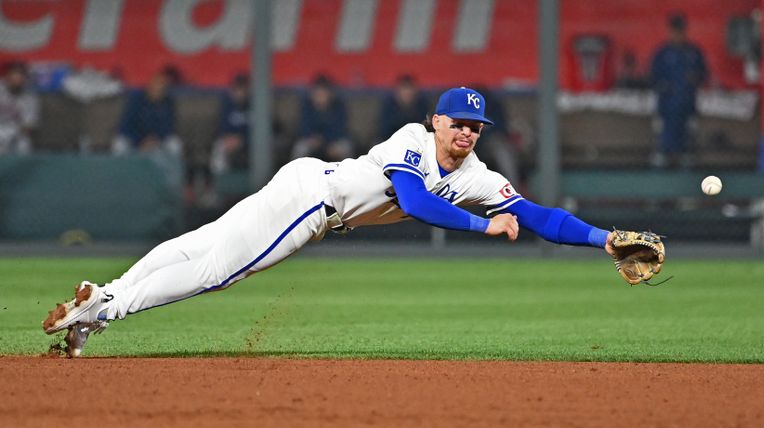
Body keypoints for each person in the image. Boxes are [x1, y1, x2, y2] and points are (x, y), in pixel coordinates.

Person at [43, 87, 636, 357]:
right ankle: (106, 309)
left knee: (198, 244)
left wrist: (602, 238)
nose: (464, 131)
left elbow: (536, 214)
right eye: (455, 121)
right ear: (435, 121)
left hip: (310, 188)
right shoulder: (412, 139)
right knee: (217, 267)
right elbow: (418, 200)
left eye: (474, 126)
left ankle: (104, 294)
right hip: (313, 200)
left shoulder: (478, 176)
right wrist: (484, 229)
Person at [649, 13, 708, 168]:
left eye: (680, 31)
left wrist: (695, 78)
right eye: (674, 31)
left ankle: (686, 155)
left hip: (688, 101)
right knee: (666, 129)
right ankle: (663, 154)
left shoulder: (693, 53)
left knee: (687, 130)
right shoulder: (662, 53)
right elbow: (653, 77)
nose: (677, 35)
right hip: (667, 102)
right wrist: (664, 86)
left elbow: (703, 74)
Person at [111, 67, 183, 158]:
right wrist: (140, 141)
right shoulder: (136, 99)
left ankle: (172, 171)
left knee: (175, 144)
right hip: (135, 138)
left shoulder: (168, 102)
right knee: (119, 144)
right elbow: (126, 125)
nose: (159, 89)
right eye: (157, 85)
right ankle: (120, 171)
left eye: (163, 87)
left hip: (156, 140)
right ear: (150, 85)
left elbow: (169, 127)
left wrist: (156, 139)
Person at [290, 74, 354, 162]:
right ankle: (296, 175)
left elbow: (341, 128)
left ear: (329, 93)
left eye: (323, 92)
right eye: (317, 93)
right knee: (300, 148)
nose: (320, 96)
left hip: (334, 141)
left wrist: (326, 141)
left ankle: (346, 176)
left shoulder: (338, 106)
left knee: (345, 148)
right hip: (311, 140)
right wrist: (312, 138)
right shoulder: (307, 105)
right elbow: (303, 126)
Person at [0, 61, 39, 155]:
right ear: (7, 76)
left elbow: (29, 125)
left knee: (24, 145)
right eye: (13, 75)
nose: (16, 79)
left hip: (16, 132)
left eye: (20, 75)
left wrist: (12, 134)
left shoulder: (30, 97)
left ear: (25, 79)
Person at [377, 74, 429, 142]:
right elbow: (384, 131)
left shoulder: (422, 105)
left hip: (417, 143)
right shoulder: (388, 106)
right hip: (392, 143)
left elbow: (426, 130)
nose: (407, 93)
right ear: (397, 91)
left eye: (410, 89)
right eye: (404, 89)